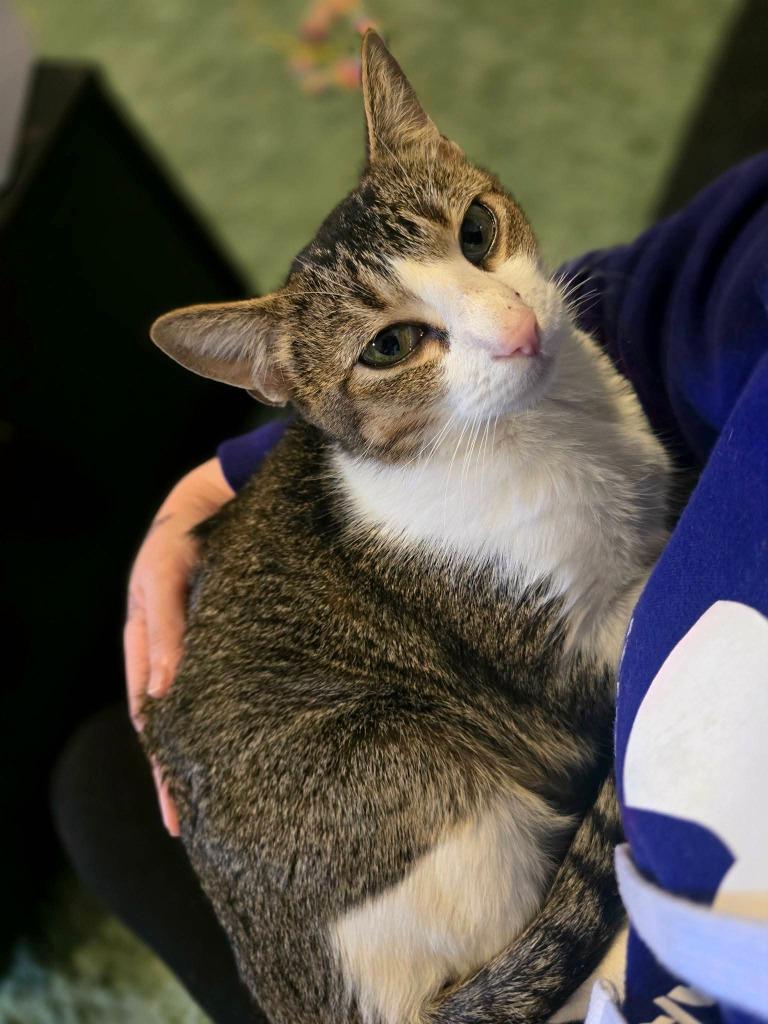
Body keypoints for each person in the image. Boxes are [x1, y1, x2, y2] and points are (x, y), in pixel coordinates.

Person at [52, 155, 768, 1024]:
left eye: (477, 240)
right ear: (284, 388)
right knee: (96, 786)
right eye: (393, 343)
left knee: (103, 795)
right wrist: (226, 469)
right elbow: (676, 277)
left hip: (635, 959)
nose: (509, 321)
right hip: (440, 940)